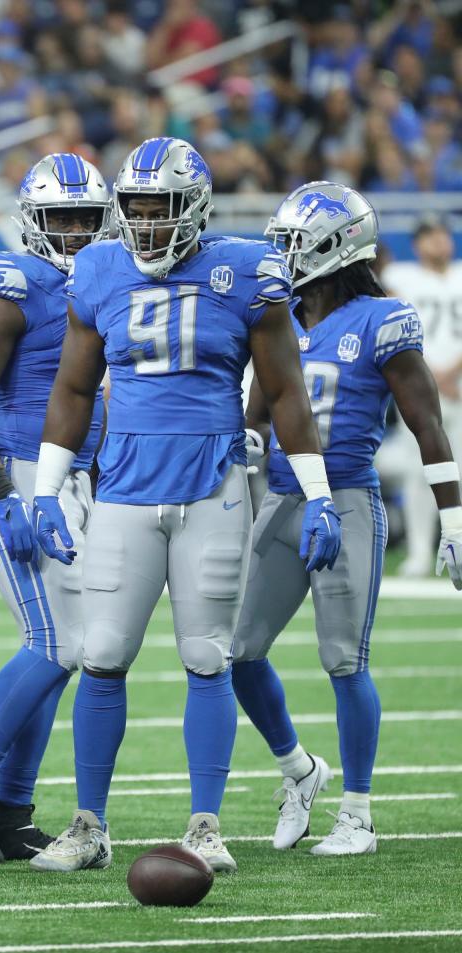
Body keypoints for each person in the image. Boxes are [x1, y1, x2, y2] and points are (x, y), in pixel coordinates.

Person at [29, 137, 341, 873]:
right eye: (133, 208)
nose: (144, 223)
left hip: (212, 484)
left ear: (194, 208)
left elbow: (287, 391)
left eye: (158, 208)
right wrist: (46, 487)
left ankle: (205, 823)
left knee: (208, 656)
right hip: (125, 487)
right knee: (102, 654)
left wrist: (320, 494)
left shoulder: (245, 273)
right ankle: (88, 824)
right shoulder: (99, 268)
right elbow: (73, 389)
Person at [231, 183, 462, 856]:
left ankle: (357, 810)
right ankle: (299, 771)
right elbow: (255, 419)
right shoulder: (277, 316)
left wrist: (454, 521)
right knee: (236, 652)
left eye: (296, 242)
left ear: (338, 246)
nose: (284, 254)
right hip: (280, 500)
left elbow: (429, 426)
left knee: (342, 660)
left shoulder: (383, 319)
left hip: (350, 501)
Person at [0, 154, 110, 865]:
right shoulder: (13, 280)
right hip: (16, 473)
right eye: (59, 218)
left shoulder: (106, 279)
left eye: (83, 218)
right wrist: (3, 491)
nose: (71, 231)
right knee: (57, 642)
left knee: (60, 650)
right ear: (31, 221)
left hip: (71, 481)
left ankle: (12, 809)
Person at [382, 215, 462, 577]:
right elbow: (396, 326)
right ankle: (418, 551)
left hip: (458, 385)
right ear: (417, 244)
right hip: (420, 385)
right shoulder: (402, 277)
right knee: (419, 471)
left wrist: (452, 370)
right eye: (431, 236)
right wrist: (431, 371)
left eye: (443, 234)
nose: (439, 241)